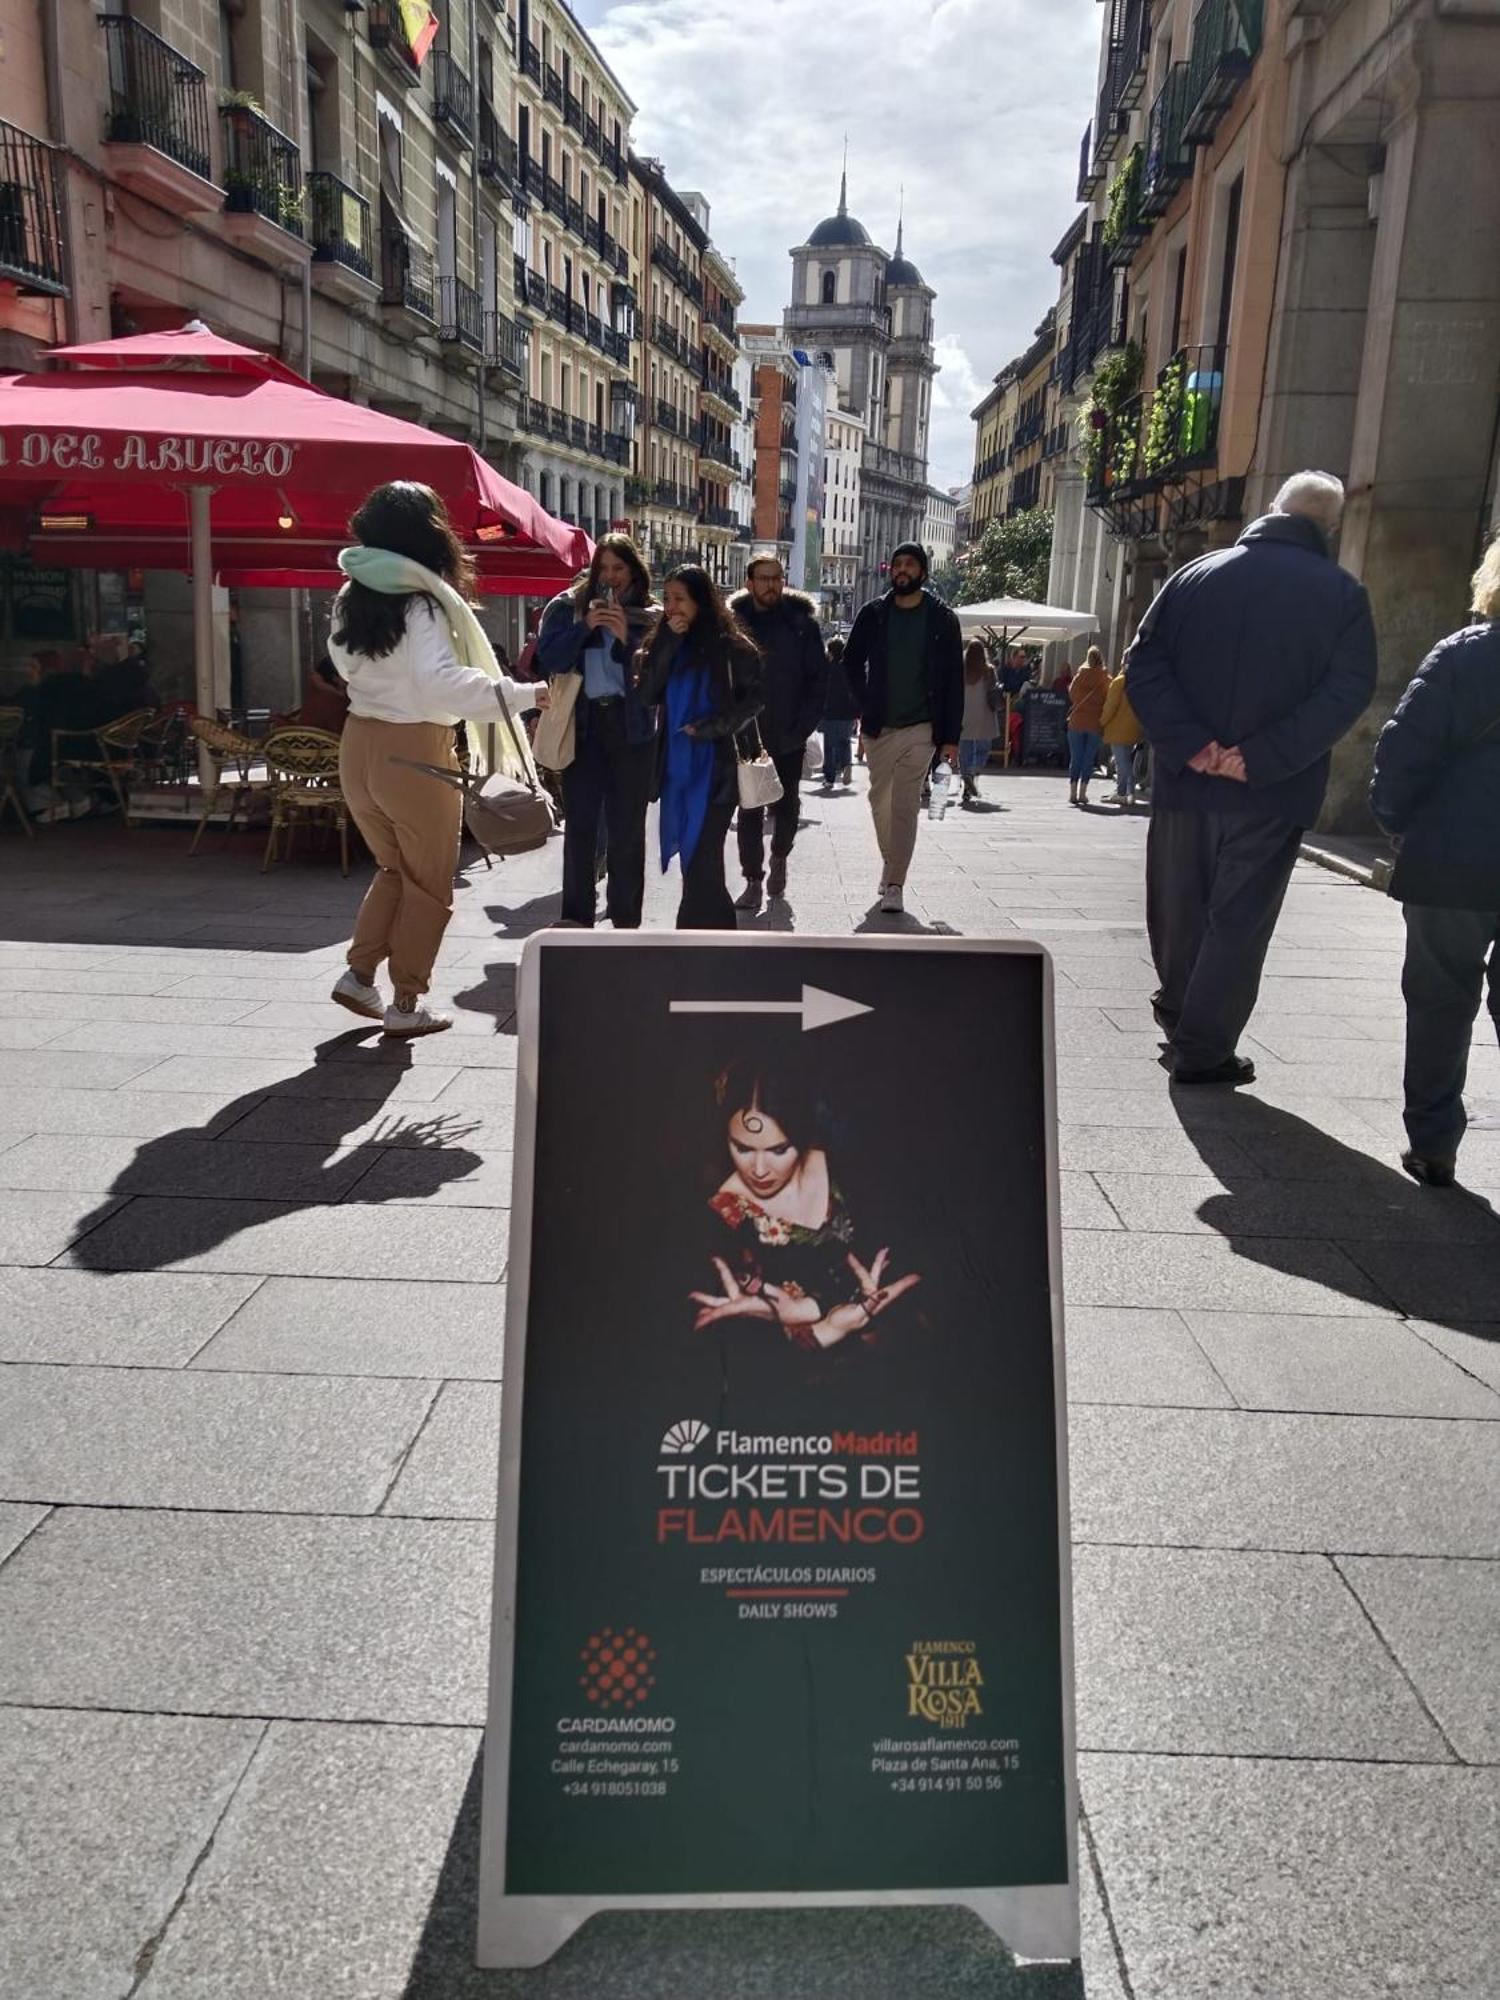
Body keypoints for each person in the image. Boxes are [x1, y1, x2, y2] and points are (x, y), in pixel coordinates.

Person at [1127, 470, 1377, 1085]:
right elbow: (1348, 691)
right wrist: (1260, 757)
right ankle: (1203, 1047)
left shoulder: (1192, 577)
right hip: (1273, 789)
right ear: (1330, 527)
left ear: (1272, 510)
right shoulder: (1343, 596)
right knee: (1239, 920)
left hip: (1188, 781)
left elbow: (1142, 664)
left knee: (1180, 906)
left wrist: (1193, 746)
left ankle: (1182, 1014)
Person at [326, 480, 541, 1038]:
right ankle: (404, 1003)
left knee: (395, 869)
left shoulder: (352, 593)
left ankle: (358, 974)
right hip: (414, 749)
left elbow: (344, 667)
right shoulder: (421, 602)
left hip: (359, 743)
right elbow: (442, 685)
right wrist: (524, 694)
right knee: (429, 883)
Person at [1369, 534, 1500, 1187]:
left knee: (1440, 1001)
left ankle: (1434, 1143)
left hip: (1454, 857)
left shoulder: (1460, 657)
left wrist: (1398, 825)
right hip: (1456, 854)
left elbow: (1402, 753)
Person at [687, 1055, 922, 1373]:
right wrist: (819, 1326)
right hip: (808, 1384)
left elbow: (910, 1261)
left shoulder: (848, 1168)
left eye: (779, 1149)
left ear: (803, 1134)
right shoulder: (722, 1215)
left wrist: (811, 1308)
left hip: (904, 1359)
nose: (758, 1170)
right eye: (742, 1148)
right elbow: (747, 1359)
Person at [535, 533, 658, 929]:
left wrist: (626, 640)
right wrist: (585, 626)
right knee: (581, 828)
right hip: (584, 727)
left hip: (632, 729)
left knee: (627, 831)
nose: (610, 576)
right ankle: (576, 918)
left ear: (633, 571)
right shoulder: (567, 608)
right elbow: (548, 659)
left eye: (618, 568)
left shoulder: (651, 615)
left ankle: (625, 919)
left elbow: (659, 678)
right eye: (603, 568)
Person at [637, 564, 763, 930]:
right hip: (676, 768)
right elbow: (646, 694)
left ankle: (694, 936)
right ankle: (713, 939)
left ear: (701, 602)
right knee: (694, 860)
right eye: (667, 599)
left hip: (716, 767)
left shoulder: (734, 648)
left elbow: (753, 701)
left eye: (680, 599)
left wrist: (711, 728)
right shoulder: (662, 643)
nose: (671, 607)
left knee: (703, 854)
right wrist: (668, 645)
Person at [844, 540, 963, 915]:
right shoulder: (873, 614)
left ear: (923, 573)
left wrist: (950, 739)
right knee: (879, 800)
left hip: (922, 726)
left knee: (905, 804)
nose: (902, 570)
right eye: (897, 564)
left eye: (910, 564)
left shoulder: (943, 619)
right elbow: (850, 663)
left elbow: (954, 681)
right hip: (880, 726)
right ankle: (891, 862)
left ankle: (895, 883)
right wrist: (864, 705)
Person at [727, 556, 826, 906]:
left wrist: (802, 728)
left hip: (789, 732)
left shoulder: (802, 625)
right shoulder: (733, 624)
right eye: (763, 578)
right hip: (747, 733)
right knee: (750, 806)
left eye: (777, 578)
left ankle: (780, 855)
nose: (771, 585)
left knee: (787, 805)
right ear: (749, 582)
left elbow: (818, 681)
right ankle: (753, 879)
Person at [1065, 645, 1110, 805]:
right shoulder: (1105, 679)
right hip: (1095, 723)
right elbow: (1108, 701)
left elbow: (1071, 695)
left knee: (1076, 757)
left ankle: (1072, 792)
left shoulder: (1079, 675)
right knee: (1088, 758)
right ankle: (1083, 792)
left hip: (1076, 721)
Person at [959, 640, 1000, 803]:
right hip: (984, 714)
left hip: (964, 714)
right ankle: (974, 771)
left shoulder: (961, 670)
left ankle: (966, 776)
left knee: (965, 748)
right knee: (983, 747)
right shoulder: (989, 671)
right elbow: (995, 689)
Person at [1101, 658, 1144, 804]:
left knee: (1122, 762)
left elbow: (1110, 707)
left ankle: (1128, 792)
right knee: (1125, 761)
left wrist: (1102, 722)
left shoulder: (1119, 682)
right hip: (1134, 729)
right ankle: (1121, 791)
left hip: (1118, 728)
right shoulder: (1140, 682)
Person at [819, 635, 857, 790]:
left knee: (829, 746)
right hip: (847, 712)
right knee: (845, 741)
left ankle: (829, 778)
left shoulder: (826, 669)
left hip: (829, 712)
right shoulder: (849, 669)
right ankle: (846, 765)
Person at [296, 655, 350, 736]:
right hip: (331, 745)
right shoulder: (334, 700)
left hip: (305, 743)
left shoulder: (318, 693)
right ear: (335, 678)